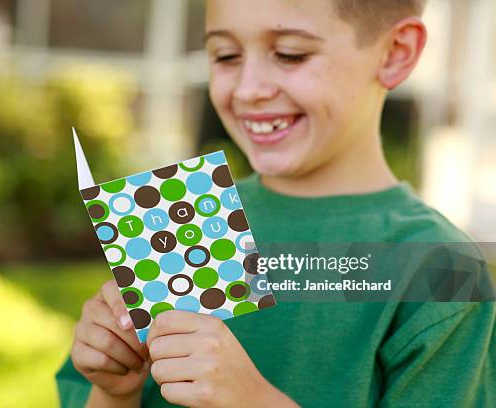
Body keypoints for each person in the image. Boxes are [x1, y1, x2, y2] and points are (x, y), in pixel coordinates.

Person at [56, 0, 496, 406]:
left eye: (290, 54)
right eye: (226, 56)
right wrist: (114, 391)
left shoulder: (441, 267)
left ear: (395, 52)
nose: (248, 89)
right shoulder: (179, 217)